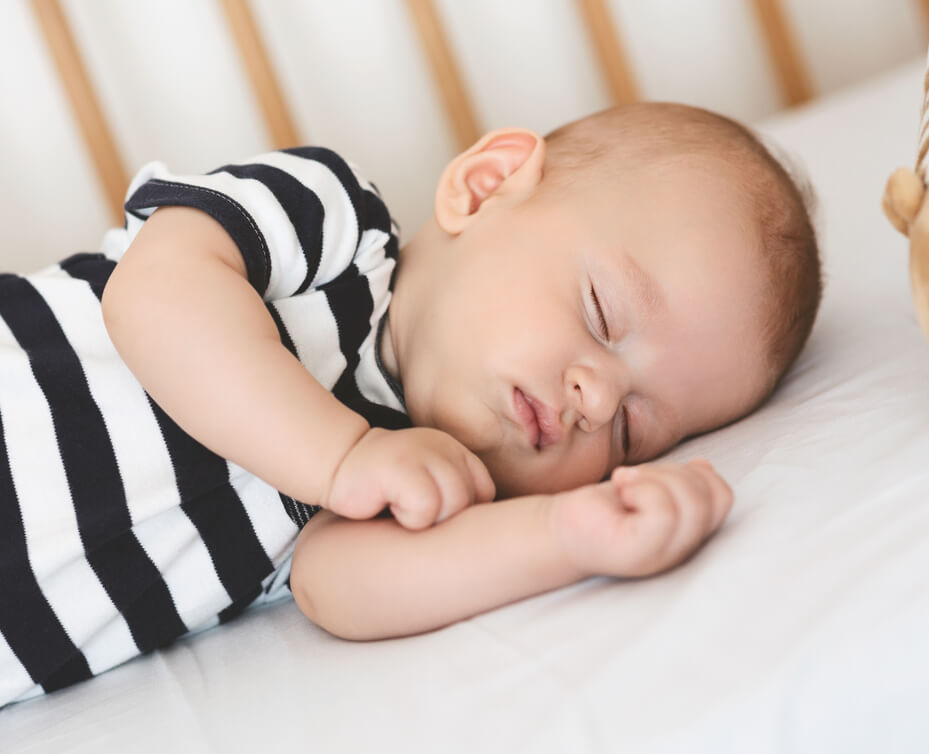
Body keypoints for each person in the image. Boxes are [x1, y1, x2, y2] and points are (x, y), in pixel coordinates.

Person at [0, 101, 820, 705]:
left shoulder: (446, 484)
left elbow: (336, 586)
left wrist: (567, 537)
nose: (596, 401)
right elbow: (155, 296)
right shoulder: (333, 225)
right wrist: (340, 456)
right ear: (486, 185)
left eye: (635, 431)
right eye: (602, 313)